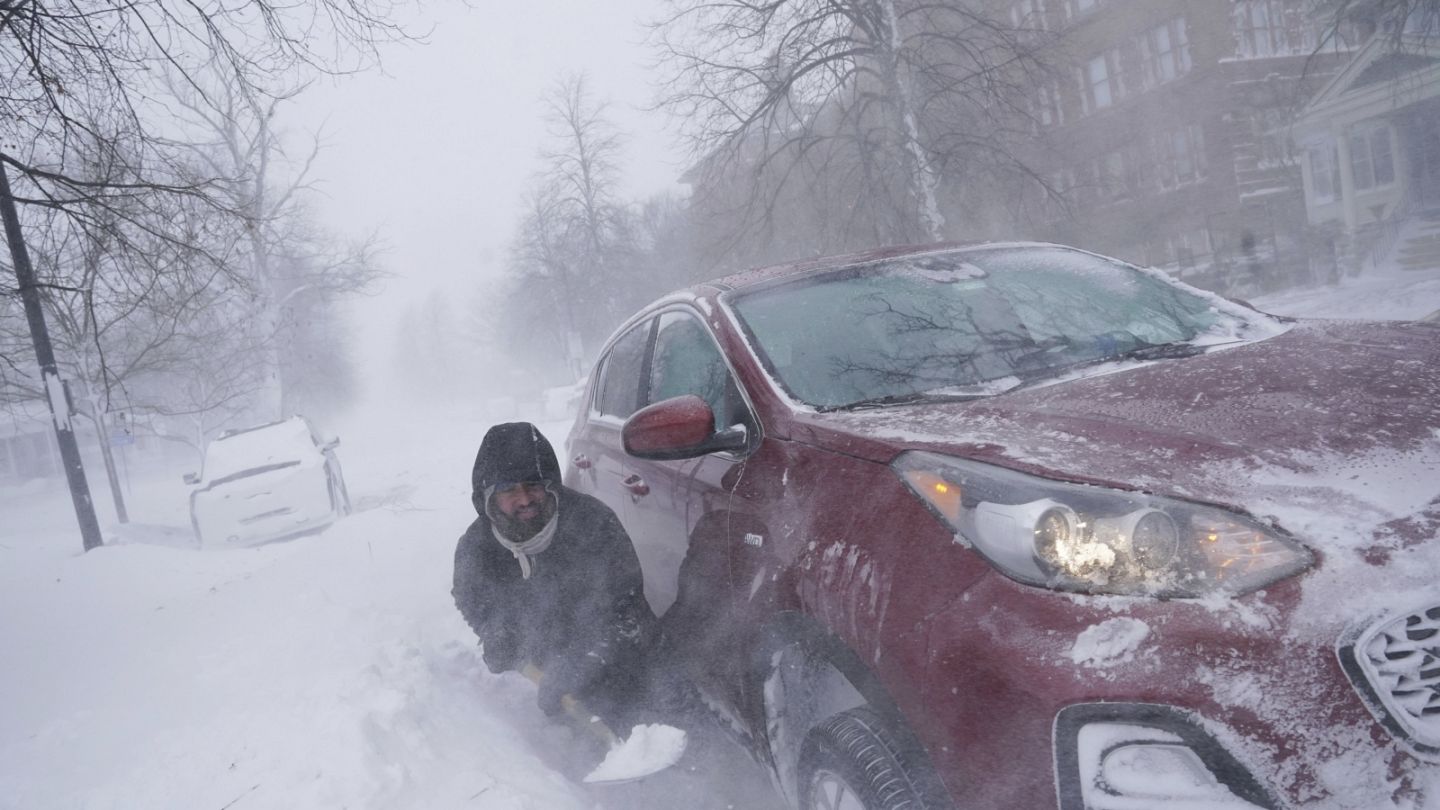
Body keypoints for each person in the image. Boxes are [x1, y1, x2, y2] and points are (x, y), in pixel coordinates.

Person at [452, 421, 659, 730]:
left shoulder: (593, 524)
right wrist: (494, 632)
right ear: (489, 498)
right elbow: (471, 599)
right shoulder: (477, 548)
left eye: (533, 485)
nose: (524, 500)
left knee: (652, 704)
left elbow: (626, 610)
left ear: (551, 485)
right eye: (509, 490)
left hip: (619, 656)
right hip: (545, 658)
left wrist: (582, 662)